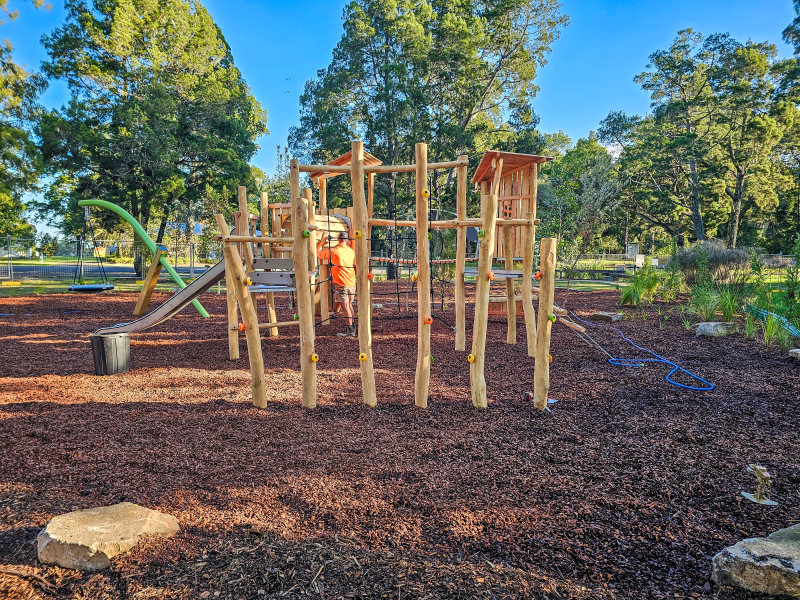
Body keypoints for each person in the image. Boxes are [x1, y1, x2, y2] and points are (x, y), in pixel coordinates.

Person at [317, 230, 357, 337]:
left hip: (341, 283)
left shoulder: (334, 251)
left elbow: (318, 254)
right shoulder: (351, 251)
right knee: (349, 305)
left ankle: (350, 330)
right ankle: (353, 327)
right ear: (347, 240)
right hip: (351, 282)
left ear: (338, 240)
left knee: (345, 307)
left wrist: (322, 243)